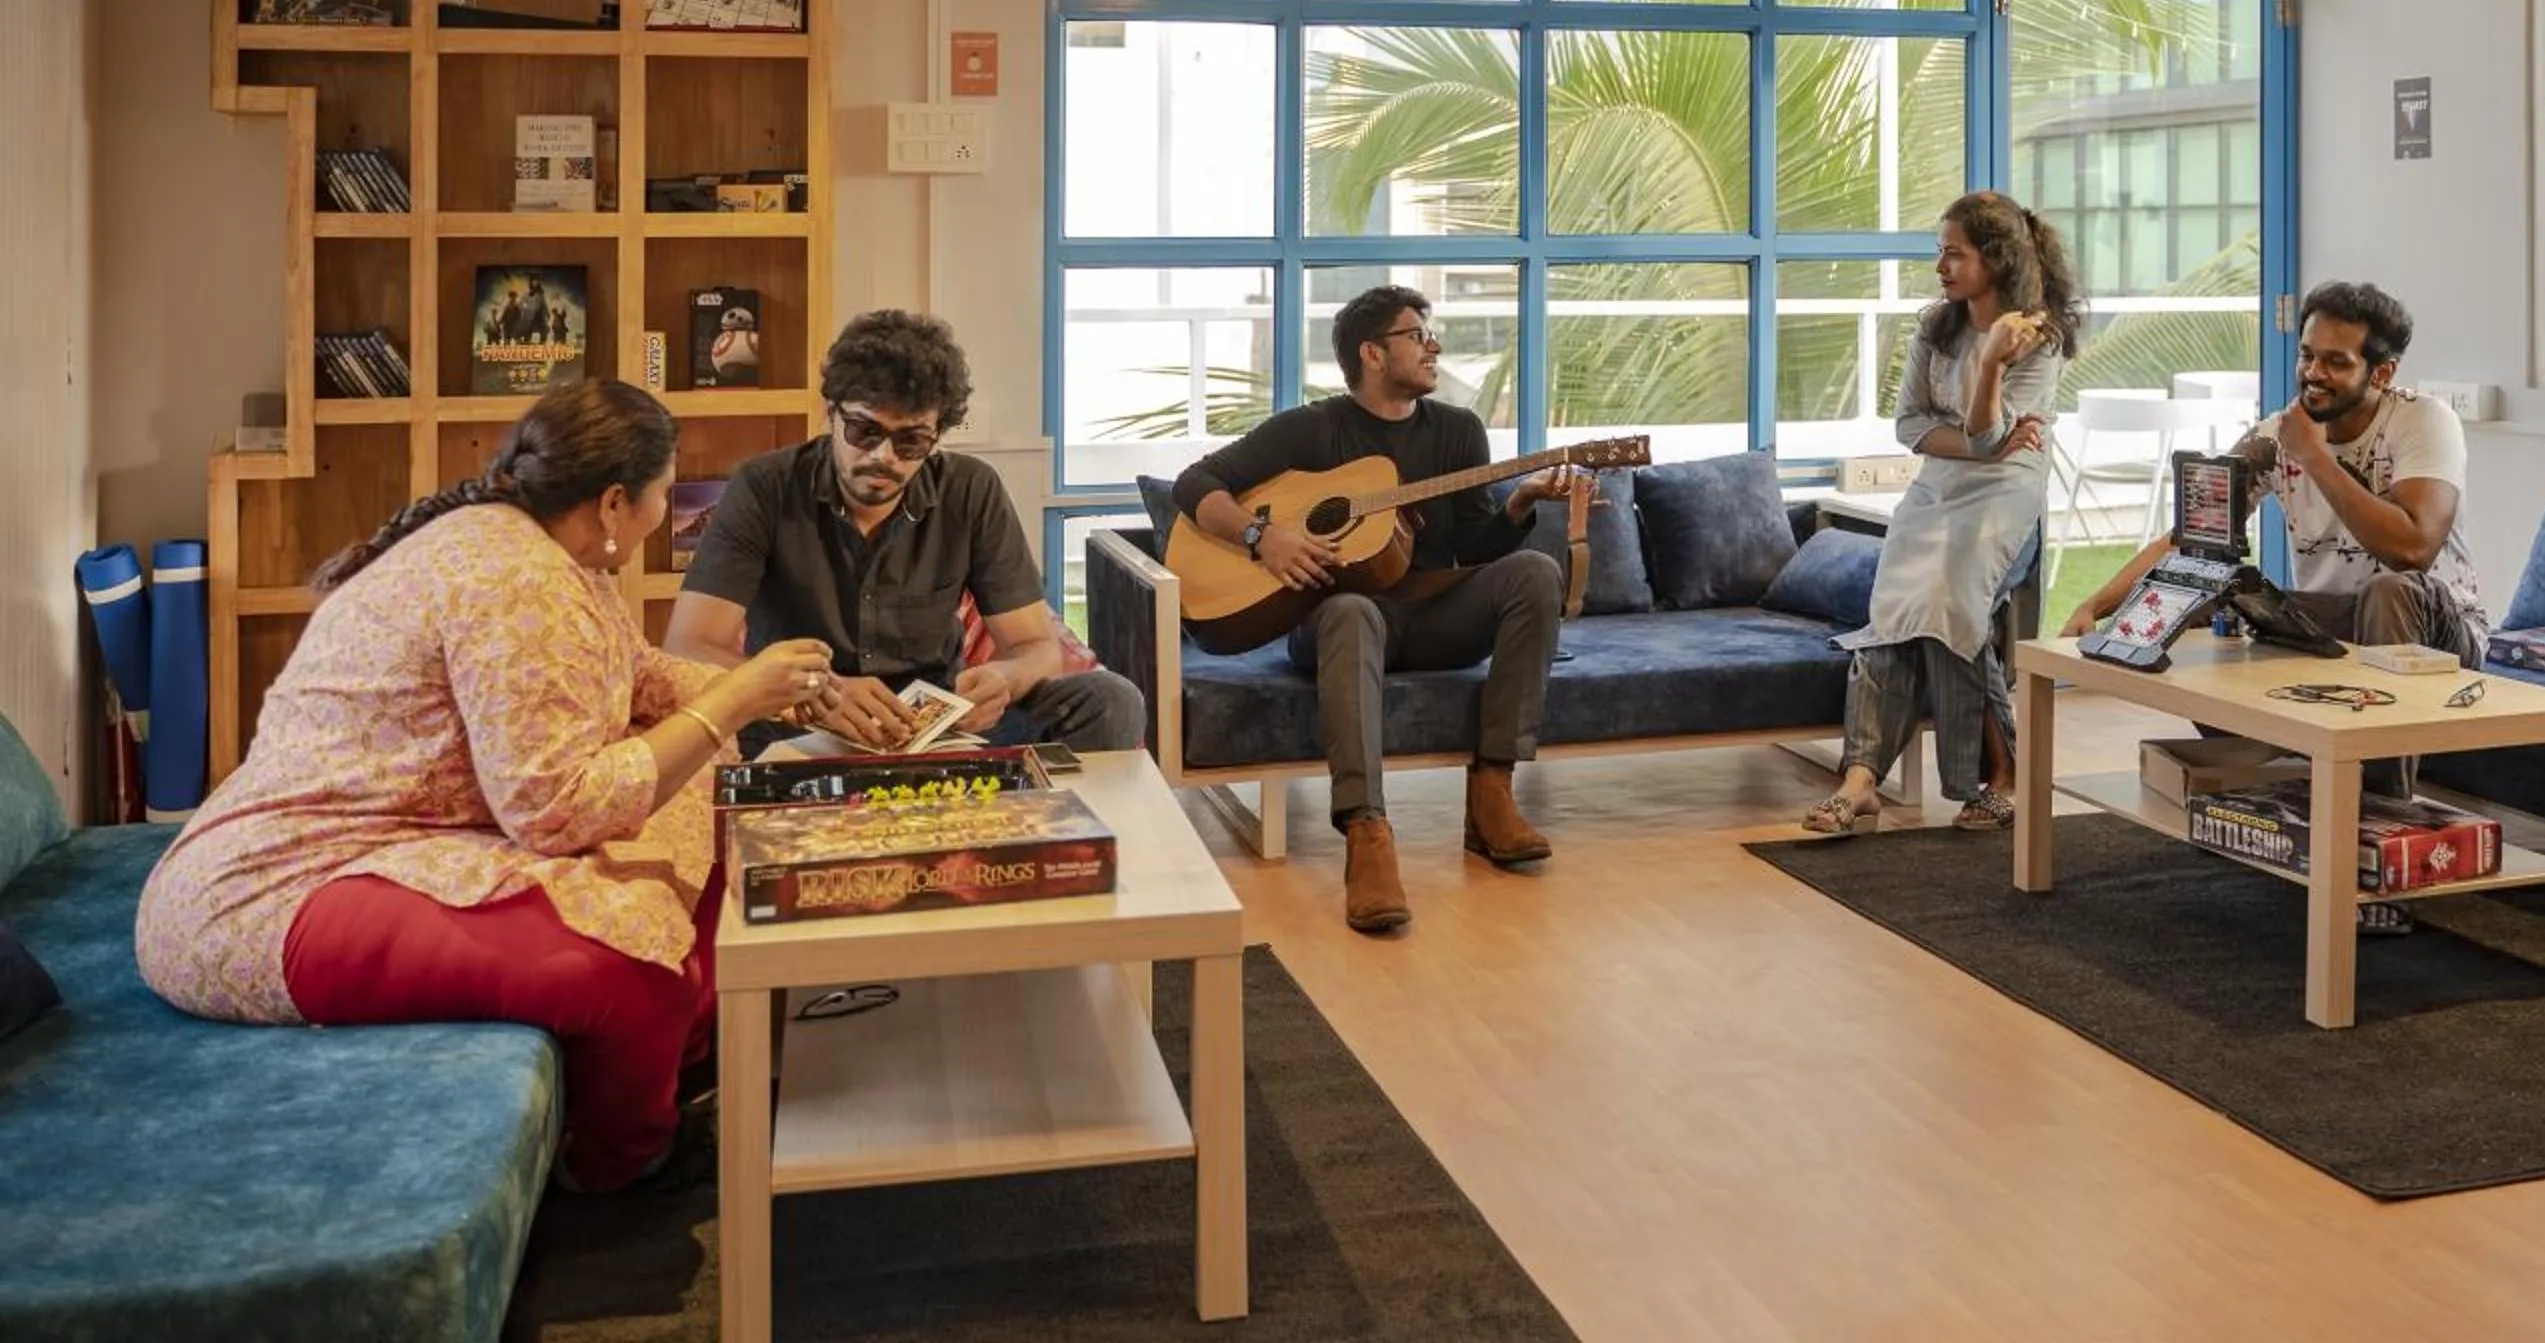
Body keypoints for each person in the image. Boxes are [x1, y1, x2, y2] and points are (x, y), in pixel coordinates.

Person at [135, 379, 834, 1191]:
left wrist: (768, 689)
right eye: (663, 492)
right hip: (281, 884)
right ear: (613, 504)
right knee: (625, 968)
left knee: (711, 809)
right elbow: (554, 807)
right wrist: (736, 700)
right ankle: (622, 1167)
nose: (666, 508)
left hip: (412, 833)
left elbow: (635, 675)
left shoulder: (555, 553)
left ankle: (687, 1065)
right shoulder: (518, 579)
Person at [2061, 279, 2486, 932]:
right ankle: (2269, 785)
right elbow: (2192, 537)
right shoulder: (2272, 437)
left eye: (2336, 361)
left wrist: (2315, 458)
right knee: (2219, 580)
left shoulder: (2421, 421)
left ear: (2383, 372)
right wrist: (2100, 603)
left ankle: (2373, 851)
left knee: (2388, 589)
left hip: (2436, 628)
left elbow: (2412, 548)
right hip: (2336, 622)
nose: (2314, 373)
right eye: (2308, 355)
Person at [1174, 286, 1576, 935]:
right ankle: (1367, 835)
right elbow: (1197, 483)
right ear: (1372, 353)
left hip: (1434, 617)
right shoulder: (1312, 429)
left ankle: (1493, 793)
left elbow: (1474, 543)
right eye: (1417, 334)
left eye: (1429, 333)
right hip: (1338, 624)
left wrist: (1520, 503)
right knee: (1353, 609)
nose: (1433, 345)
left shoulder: (1457, 431)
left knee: (1534, 570)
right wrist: (1263, 536)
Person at [666, 310, 1143, 755]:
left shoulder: (970, 490)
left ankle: (1059, 843)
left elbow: (1036, 648)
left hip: (935, 730)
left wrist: (1004, 677)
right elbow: (690, 645)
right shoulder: (765, 486)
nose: (884, 457)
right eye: (864, 432)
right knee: (715, 726)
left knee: (1108, 700)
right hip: (800, 725)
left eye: (911, 440)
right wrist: (816, 692)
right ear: (830, 413)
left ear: (937, 436)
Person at [1800, 191, 2080, 836]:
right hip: (1938, 489)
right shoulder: (1936, 325)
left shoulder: (2037, 339)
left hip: (2007, 497)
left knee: (1951, 601)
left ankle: (2000, 776)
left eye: (1954, 254)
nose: (1941, 267)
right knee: (1896, 605)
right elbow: (1912, 427)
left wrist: (1987, 368)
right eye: (1941, 253)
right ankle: (1865, 779)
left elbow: (1985, 442)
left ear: (1997, 258)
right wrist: (1974, 440)